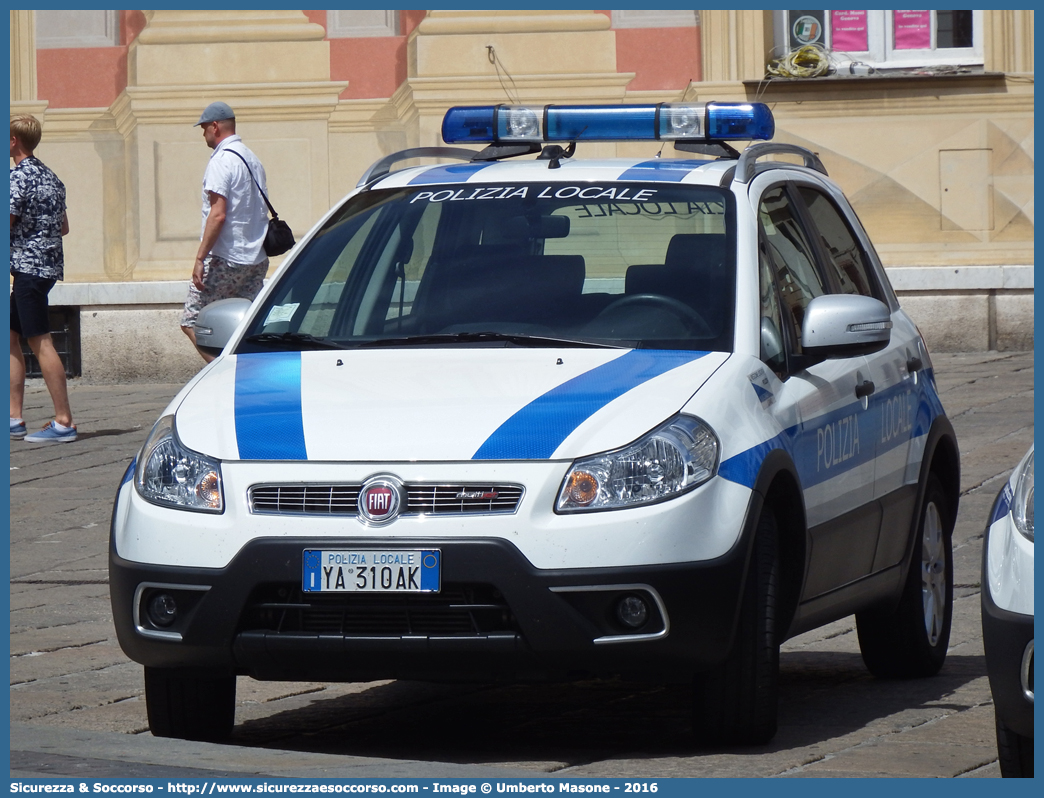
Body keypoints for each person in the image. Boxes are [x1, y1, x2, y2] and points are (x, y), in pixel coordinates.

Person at [181, 101, 270, 362]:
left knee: (192, 320)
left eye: (204, 129)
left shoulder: (221, 161)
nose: (204, 135)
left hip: (225, 258)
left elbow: (218, 214)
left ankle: (226, 373)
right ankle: (248, 368)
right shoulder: (253, 159)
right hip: (256, 258)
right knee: (242, 326)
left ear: (215, 126)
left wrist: (200, 258)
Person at [10, 114, 76, 443]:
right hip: (47, 267)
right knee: (10, 335)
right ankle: (14, 417)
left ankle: (63, 421)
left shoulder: (18, 177)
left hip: (28, 269)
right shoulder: (52, 177)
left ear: (14, 141)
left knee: (41, 342)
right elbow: (63, 226)